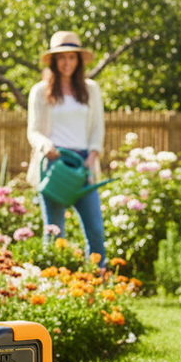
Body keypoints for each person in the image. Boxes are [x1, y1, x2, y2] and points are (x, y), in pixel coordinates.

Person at [26, 31, 107, 267]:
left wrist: (92, 157)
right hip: (54, 165)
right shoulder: (40, 91)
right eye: (61, 58)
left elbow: (98, 128)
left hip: (83, 164)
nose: (67, 63)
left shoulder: (91, 89)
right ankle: (53, 281)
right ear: (53, 61)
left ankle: (98, 278)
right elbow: (33, 131)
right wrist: (45, 144)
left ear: (79, 60)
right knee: (54, 232)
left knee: (96, 230)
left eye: (71, 57)